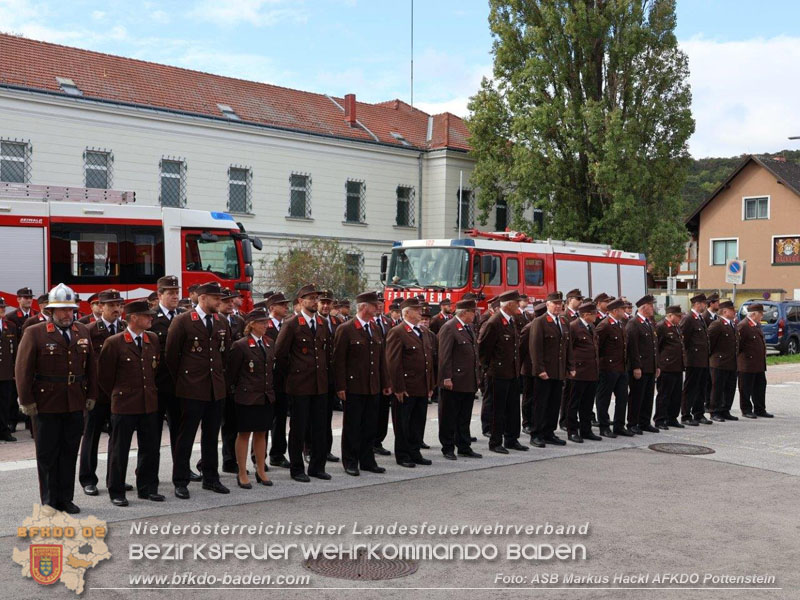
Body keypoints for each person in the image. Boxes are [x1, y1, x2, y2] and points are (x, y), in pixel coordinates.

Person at [16, 284, 97, 514]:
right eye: (62, 310)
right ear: (51, 311)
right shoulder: (36, 332)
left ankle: (65, 498)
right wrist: (26, 400)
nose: (67, 315)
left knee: (69, 452)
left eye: (70, 310)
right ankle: (49, 501)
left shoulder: (82, 331)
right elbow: (22, 368)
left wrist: (91, 394)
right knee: (47, 453)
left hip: (74, 401)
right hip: (46, 403)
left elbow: (92, 366)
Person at [166, 281, 231, 499]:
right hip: (191, 389)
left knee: (212, 436)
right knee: (186, 436)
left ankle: (211, 477)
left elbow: (225, 354)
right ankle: (181, 480)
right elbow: (171, 357)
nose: (219, 302)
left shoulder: (221, 321)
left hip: (215, 388)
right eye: (216, 298)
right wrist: (184, 382)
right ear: (202, 298)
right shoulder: (183, 321)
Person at [97, 300, 163, 506]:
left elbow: (155, 370)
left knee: (151, 448)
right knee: (119, 449)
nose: (151, 318)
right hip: (124, 404)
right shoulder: (115, 342)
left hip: (148, 402)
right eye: (146, 315)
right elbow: (105, 377)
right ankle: (116, 490)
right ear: (133, 318)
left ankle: (148, 487)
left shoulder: (152, 339)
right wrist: (118, 395)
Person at [275, 284, 331, 482]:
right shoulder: (292, 324)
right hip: (299, 385)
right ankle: (297, 468)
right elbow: (280, 354)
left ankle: (317, 466)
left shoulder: (323, 323)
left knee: (319, 428)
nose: (315, 301)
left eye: (316, 298)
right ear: (300, 302)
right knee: (298, 429)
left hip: (320, 384)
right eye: (310, 298)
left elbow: (327, 352)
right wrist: (293, 374)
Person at [333, 291, 390, 476]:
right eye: (374, 305)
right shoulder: (347, 328)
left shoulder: (374, 327)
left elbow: (381, 359)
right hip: (354, 386)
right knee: (352, 425)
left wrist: (385, 382)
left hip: (372, 385)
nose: (378, 308)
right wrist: (340, 386)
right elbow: (339, 360)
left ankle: (367, 460)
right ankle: (350, 461)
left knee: (370, 425)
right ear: (364, 306)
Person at [79, 289, 126, 497]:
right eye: (112, 305)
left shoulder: (125, 328)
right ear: (101, 307)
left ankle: (115, 480)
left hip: (120, 394)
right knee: (91, 437)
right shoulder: (89, 330)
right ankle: (88, 479)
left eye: (119, 305)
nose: (117, 309)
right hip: (97, 394)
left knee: (117, 439)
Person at [149, 276, 196, 477]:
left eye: (177, 292)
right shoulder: (151, 317)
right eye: (170, 293)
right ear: (160, 295)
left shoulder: (184, 316)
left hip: (178, 383)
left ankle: (182, 469)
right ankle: (150, 473)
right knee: (152, 432)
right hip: (158, 383)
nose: (175, 296)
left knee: (180, 430)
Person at [227, 309, 275, 488]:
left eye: (266, 322)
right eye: (262, 322)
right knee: (244, 434)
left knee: (262, 433)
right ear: (252, 324)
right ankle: (241, 472)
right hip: (247, 397)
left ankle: (261, 470)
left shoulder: (269, 343)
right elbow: (232, 373)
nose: (266, 325)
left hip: (265, 395)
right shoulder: (241, 345)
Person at [385, 297, 435, 467]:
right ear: (407, 313)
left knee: (417, 422)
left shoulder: (424, 332)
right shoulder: (397, 332)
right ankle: (403, 454)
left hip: (421, 387)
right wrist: (398, 387)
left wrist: (430, 385)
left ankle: (415, 452)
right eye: (417, 309)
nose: (420, 312)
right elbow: (393, 363)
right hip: (406, 387)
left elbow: (429, 361)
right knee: (403, 423)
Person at [478, 290, 527, 454]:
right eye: (517, 302)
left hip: (512, 372)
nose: (519, 305)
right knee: (497, 409)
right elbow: (483, 350)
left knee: (513, 408)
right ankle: (495, 441)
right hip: (497, 373)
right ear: (509, 304)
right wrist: (488, 369)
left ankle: (511, 439)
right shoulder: (494, 322)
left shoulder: (511, 320)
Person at [437, 298, 482, 460]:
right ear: (464, 313)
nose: (475, 315)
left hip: (467, 380)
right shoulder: (449, 328)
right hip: (454, 381)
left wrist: (477, 377)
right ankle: (448, 447)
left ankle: (464, 446)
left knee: (464, 416)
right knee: (449, 416)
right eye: (473, 312)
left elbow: (474, 354)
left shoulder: (468, 327)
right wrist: (446, 377)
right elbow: (444, 356)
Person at [529, 292, 573, 447]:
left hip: (558, 370)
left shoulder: (563, 321)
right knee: (541, 403)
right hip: (545, 371)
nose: (558, 306)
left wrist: (570, 366)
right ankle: (536, 433)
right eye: (555, 303)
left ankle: (549, 432)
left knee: (554, 403)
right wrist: (539, 369)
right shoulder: (540, 322)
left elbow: (568, 347)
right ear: (547, 304)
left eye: (560, 303)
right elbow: (535, 348)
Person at [595, 298, 631, 437]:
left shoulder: (620, 324)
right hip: (608, 368)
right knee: (603, 399)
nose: (625, 311)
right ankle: (604, 426)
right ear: (615, 311)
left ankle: (619, 425)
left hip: (621, 368)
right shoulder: (604, 325)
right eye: (622, 309)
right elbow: (597, 347)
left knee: (622, 398)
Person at [567, 301, 602, 443]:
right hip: (578, 372)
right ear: (586, 314)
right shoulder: (574, 327)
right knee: (573, 403)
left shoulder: (591, 327)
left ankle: (586, 430)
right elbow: (569, 349)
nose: (596, 316)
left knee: (587, 403)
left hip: (591, 371)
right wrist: (571, 368)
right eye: (594, 314)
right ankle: (572, 431)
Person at [219, 287, 246, 473]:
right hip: (217, 378)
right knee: (213, 426)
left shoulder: (239, 321)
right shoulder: (215, 321)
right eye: (225, 301)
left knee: (232, 423)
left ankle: (230, 460)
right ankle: (205, 463)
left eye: (231, 300)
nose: (230, 304)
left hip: (234, 380)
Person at [625, 295, 660, 434]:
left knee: (648, 396)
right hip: (640, 367)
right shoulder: (634, 323)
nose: (653, 308)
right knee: (636, 397)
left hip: (650, 367)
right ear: (644, 307)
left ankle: (644, 422)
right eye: (651, 306)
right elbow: (633, 348)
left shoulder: (648, 323)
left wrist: (657, 365)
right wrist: (636, 367)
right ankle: (633, 423)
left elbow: (654, 347)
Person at [265, 292, 291, 469]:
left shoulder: (287, 325)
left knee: (280, 419)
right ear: (272, 307)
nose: (286, 308)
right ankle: (258, 457)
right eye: (282, 305)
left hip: (283, 380)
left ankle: (278, 454)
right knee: (263, 420)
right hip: (267, 380)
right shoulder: (264, 325)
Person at [680, 293, 712, 426]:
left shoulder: (699, 318)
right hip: (693, 360)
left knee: (701, 388)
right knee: (690, 388)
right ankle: (686, 415)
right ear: (697, 304)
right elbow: (683, 341)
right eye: (704, 303)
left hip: (703, 360)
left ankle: (698, 413)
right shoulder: (688, 319)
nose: (705, 306)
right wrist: (686, 359)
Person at [316, 290, 342, 456]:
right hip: (316, 375)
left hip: (331, 375)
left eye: (328, 303)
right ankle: (311, 448)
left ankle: (326, 448)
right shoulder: (314, 320)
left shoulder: (336, 322)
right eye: (322, 302)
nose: (325, 306)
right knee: (315, 417)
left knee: (327, 416)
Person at [737, 304, 772, 419]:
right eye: (761, 314)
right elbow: (738, 346)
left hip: (758, 364)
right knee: (746, 388)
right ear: (753, 314)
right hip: (747, 364)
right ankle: (746, 410)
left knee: (760, 387)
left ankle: (760, 409)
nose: (762, 316)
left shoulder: (756, 325)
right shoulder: (743, 326)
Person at [654, 306, 685, 429]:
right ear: (670, 315)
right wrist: (659, 365)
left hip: (677, 366)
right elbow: (658, 347)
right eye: (678, 316)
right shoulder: (661, 327)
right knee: (664, 395)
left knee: (676, 395)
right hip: (666, 366)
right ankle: (660, 419)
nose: (680, 318)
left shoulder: (676, 327)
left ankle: (672, 417)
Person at [708, 300, 739, 422]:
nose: (735, 312)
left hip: (731, 362)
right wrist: (714, 358)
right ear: (725, 311)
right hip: (719, 363)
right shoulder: (717, 324)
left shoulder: (732, 324)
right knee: (718, 388)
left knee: (729, 388)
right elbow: (710, 343)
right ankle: (715, 411)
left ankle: (725, 410)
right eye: (732, 310)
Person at [0, 298, 19, 441]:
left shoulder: (10, 326)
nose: (2, 309)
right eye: (0, 307)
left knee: (5, 402)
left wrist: (14, 370)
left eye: (3, 307)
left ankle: (4, 430)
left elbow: (16, 350)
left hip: (6, 372)